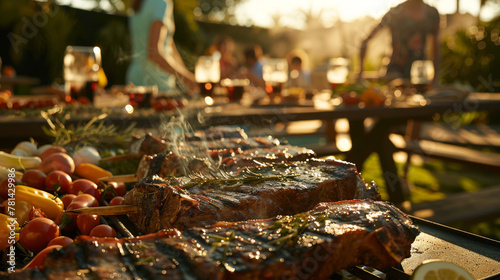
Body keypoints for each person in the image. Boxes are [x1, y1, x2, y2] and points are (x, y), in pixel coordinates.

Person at [358, 0, 440, 86]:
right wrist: (360, 71)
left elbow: (436, 49)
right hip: (394, 76)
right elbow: (366, 40)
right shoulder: (395, 13)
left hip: (419, 77)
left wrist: (435, 80)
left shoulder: (432, 14)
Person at [127, 0, 197, 94]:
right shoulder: (161, 3)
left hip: (135, 78)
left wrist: (187, 76)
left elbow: (169, 45)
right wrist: (187, 79)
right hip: (156, 82)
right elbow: (154, 53)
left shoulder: (137, 5)